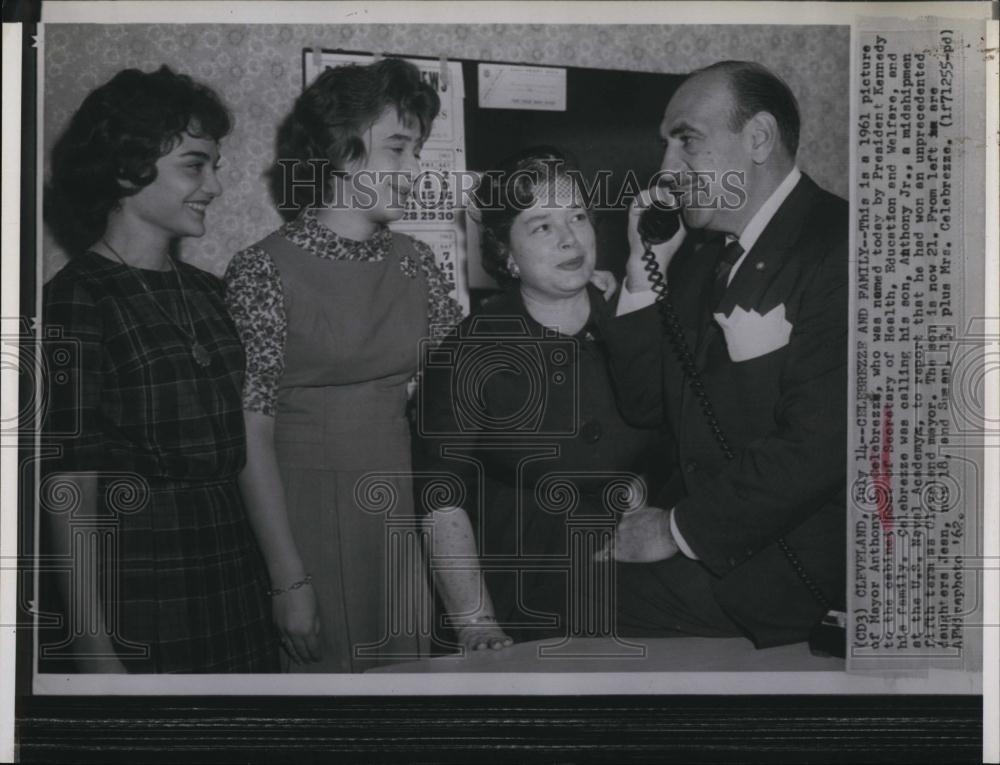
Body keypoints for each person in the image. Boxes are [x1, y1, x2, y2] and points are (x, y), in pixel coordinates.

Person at [223, 58, 465, 673]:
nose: (415, 170)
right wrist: (287, 581)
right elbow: (250, 435)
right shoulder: (261, 269)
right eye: (398, 148)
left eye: (419, 150)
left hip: (401, 510)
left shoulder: (415, 262)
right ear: (339, 151)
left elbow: (469, 386)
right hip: (300, 518)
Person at [599, 60, 848, 647]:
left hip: (793, 564)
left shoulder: (844, 246)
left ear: (758, 138)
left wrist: (674, 529)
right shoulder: (701, 255)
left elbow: (820, 445)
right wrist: (644, 267)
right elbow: (642, 405)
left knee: (569, 600)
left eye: (687, 141)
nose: (666, 171)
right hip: (728, 543)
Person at [41, 66, 278, 673]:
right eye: (196, 165)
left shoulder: (209, 291)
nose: (216, 186)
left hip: (232, 564)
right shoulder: (74, 299)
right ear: (126, 170)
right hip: (142, 576)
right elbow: (70, 487)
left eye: (215, 165)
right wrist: (95, 649)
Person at [416, 148, 668, 651]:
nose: (570, 238)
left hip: (630, 588)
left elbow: (665, 455)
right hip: (517, 594)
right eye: (541, 226)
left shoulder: (632, 321)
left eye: (577, 216)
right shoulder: (469, 350)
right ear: (506, 254)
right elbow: (441, 503)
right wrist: (476, 624)